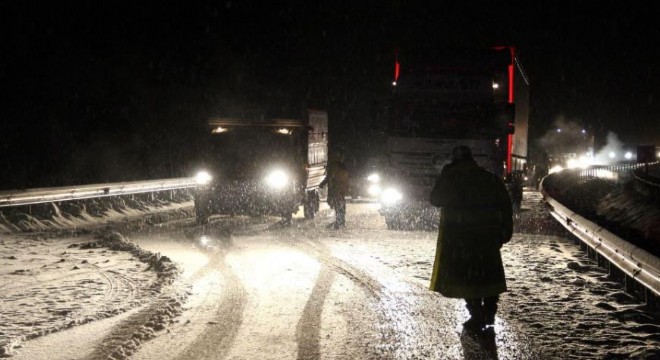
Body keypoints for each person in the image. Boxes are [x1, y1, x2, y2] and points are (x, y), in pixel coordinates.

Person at [428, 145, 513, 332]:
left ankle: (476, 314)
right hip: (487, 235)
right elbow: (505, 205)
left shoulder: (451, 179)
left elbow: (435, 199)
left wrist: (443, 176)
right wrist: (505, 231)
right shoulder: (489, 179)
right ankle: (490, 311)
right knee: (488, 274)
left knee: (466, 278)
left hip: (459, 237)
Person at [320, 152, 350, 229]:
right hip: (341, 188)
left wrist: (323, 183)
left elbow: (330, 177)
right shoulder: (342, 166)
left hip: (336, 187)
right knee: (340, 204)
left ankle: (339, 222)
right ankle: (341, 221)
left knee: (337, 205)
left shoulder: (334, 166)